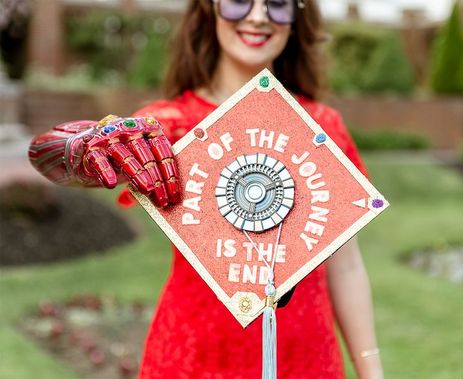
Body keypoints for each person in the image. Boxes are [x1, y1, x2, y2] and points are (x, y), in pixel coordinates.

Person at [29, 0, 384, 378]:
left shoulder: (320, 126)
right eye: (238, 1)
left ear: (297, 19)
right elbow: (59, 161)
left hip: (305, 359)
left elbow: (345, 267)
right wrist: (81, 150)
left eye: (278, 4)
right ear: (208, 10)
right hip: (192, 359)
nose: (259, 15)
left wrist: (371, 371)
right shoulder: (168, 129)